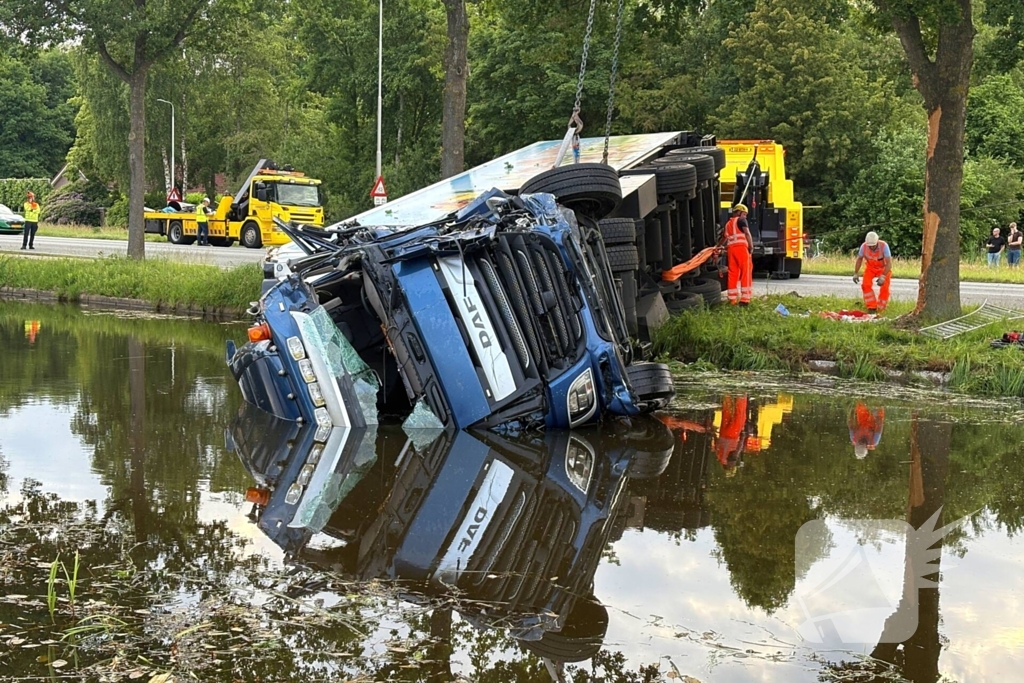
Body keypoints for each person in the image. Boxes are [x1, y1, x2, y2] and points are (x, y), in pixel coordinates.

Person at [853, 231, 892, 314]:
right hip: (870, 268)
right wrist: (856, 273)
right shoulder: (863, 247)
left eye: (873, 245)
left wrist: (883, 276)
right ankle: (871, 307)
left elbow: (889, 263)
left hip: (883, 268)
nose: (871, 247)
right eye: (869, 246)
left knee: (885, 287)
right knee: (865, 285)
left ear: (877, 242)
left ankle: (881, 307)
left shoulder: (884, 246)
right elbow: (859, 259)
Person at [722, 203, 754, 305]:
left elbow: (724, 238)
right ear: (739, 213)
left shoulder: (728, 224)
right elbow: (747, 233)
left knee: (733, 273)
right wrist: (751, 247)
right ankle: (745, 299)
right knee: (746, 271)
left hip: (731, 251)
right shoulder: (741, 220)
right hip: (741, 249)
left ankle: (732, 299)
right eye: (744, 214)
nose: (745, 216)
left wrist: (717, 247)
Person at [714, 394, 749, 474]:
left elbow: (736, 450)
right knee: (727, 410)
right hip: (722, 433)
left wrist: (743, 437)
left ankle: (741, 394)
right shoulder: (719, 456)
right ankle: (727, 394)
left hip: (733, 435)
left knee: (740, 414)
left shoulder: (729, 461)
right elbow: (716, 443)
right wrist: (714, 433)